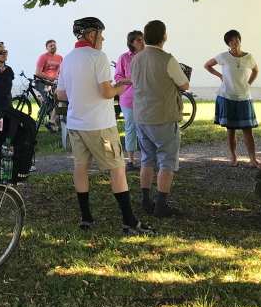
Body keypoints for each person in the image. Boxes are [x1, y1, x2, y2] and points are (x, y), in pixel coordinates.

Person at [56, 17, 154, 236]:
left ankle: (86, 219)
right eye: (101, 33)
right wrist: (120, 87)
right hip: (99, 124)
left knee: (81, 167)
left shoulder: (68, 59)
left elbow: (61, 94)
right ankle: (129, 222)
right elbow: (107, 92)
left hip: (75, 123)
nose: (103, 38)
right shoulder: (98, 57)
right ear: (91, 35)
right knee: (117, 168)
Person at [131, 20, 190, 217]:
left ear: (145, 38)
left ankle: (145, 201)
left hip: (141, 115)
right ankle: (161, 204)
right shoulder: (168, 60)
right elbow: (184, 85)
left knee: (147, 158)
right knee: (167, 160)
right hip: (163, 116)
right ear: (164, 37)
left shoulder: (136, 59)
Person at [204, 29, 261, 168]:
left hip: (244, 97)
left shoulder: (248, 57)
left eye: (236, 39)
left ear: (240, 41)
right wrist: (220, 76)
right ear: (227, 44)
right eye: (230, 40)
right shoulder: (223, 56)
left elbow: (255, 70)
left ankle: (253, 159)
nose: (233, 42)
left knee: (247, 129)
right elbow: (207, 65)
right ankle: (233, 157)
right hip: (227, 96)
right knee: (230, 128)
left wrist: (249, 83)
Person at [114, 30, 144, 171]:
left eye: (142, 39)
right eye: (138, 40)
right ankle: (131, 161)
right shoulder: (124, 58)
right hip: (129, 99)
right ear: (131, 43)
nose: (142, 42)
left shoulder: (148, 56)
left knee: (146, 129)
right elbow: (118, 78)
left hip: (147, 98)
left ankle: (148, 159)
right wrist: (132, 80)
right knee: (131, 128)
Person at [34, 40, 63, 130]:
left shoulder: (60, 58)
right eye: (50, 46)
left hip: (54, 83)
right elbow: (38, 72)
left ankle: (53, 123)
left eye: (54, 45)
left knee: (58, 101)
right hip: (42, 82)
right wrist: (50, 78)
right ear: (46, 48)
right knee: (50, 101)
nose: (53, 47)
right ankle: (54, 125)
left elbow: (62, 72)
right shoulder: (43, 57)